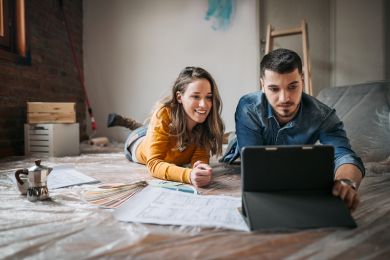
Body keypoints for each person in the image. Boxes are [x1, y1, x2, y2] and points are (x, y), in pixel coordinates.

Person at [220, 48, 364, 211]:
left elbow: (345, 155)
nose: (284, 98)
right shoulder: (248, 107)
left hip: (289, 151)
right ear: (262, 85)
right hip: (245, 142)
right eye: (274, 89)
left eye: (292, 86)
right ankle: (229, 136)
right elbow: (255, 166)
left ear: (302, 80)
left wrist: (346, 183)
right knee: (233, 139)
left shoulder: (323, 115)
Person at [108, 66, 225, 188]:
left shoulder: (206, 123)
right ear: (180, 97)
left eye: (208, 97)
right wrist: (188, 175)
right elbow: (153, 163)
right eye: (196, 96)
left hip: (164, 132)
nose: (203, 104)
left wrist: (200, 168)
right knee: (142, 129)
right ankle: (126, 122)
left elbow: (200, 156)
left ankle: (143, 125)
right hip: (137, 140)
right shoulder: (164, 114)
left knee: (149, 127)